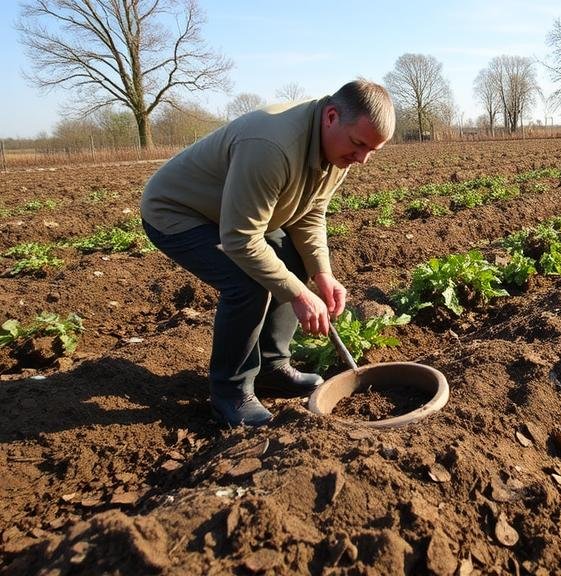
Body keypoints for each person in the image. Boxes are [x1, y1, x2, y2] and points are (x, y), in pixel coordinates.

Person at [141, 80, 395, 426]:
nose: (362, 159)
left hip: (238, 213)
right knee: (246, 283)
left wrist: (322, 274)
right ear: (332, 116)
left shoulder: (338, 151)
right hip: (179, 212)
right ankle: (230, 394)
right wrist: (298, 294)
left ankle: (272, 368)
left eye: (372, 151)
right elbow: (240, 239)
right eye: (358, 144)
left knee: (293, 258)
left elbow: (309, 214)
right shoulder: (271, 145)